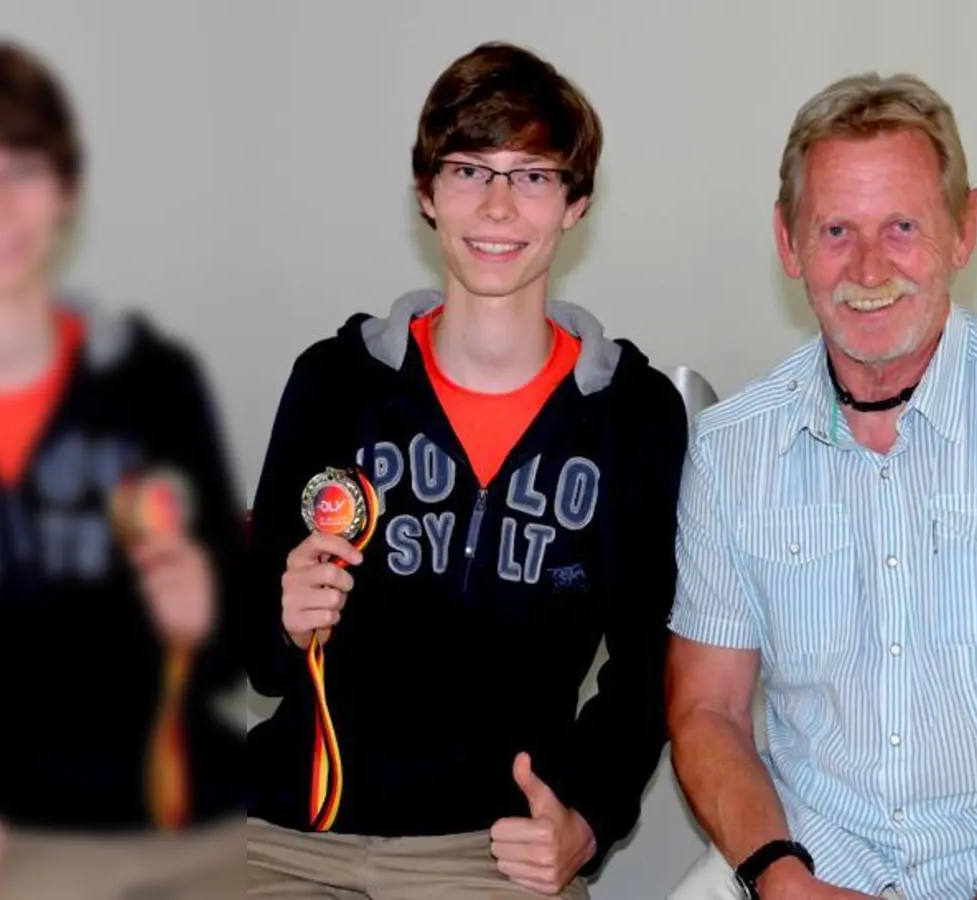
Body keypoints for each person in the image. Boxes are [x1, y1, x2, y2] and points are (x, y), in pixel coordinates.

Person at [665, 72, 977, 900]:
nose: (870, 267)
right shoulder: (731, 450)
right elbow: (708, 712)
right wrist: (779, 878)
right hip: (818, 854)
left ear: (964, 229)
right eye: (835, 230)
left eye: (902, 226)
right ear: (788, 243)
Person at [244, 42, 688, 899]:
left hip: (486, 851)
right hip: (284, 833)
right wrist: (280, 617)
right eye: (467, 169)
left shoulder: (633, 414)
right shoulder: (336, 382)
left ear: (575, 203)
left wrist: (585, 819)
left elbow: (648, 670)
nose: (496, 204)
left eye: (532, 175)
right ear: (426, 193)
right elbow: (261, 652)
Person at [0, 41, 245, 899]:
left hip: (195, 831)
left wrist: (204, 619)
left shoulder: (153, 382)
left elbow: (234, 656)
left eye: (20, 169)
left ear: (64, 192)